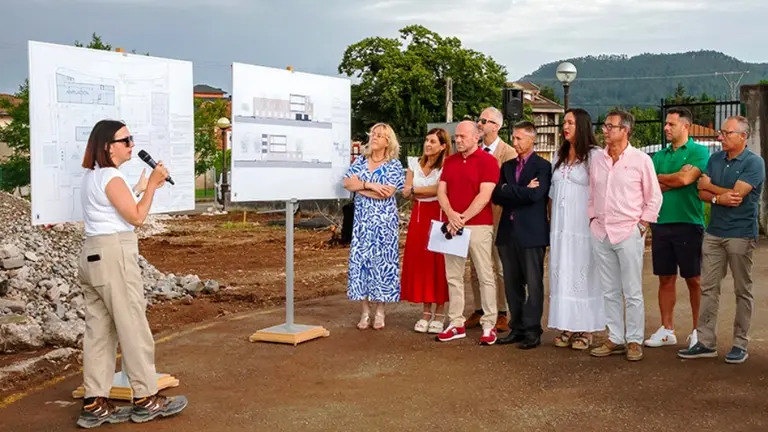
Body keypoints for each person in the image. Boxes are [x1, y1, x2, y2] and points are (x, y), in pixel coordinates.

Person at [76, 120, 187, 429]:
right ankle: (145, 398)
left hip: (93, 254)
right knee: (133, 326)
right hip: (114, 255)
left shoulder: (93, 177)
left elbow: (113, 207)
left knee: (100, 332)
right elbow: (136, 218)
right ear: (108, 146)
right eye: (125, 140)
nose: (131, 145)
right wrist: (151, 187)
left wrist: (139, 188)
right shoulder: (111, 176)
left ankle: (95, 402)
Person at [678, 115, 765, 364]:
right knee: (708, 288)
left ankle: (740, 344)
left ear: (743, 136)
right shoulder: (715, 159)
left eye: (727, 133)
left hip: (740, 234)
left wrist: (713, 189)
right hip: (714, 232)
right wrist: (718, 197)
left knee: (742, 290)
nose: (721, 137)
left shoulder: (754, 163)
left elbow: (737, 195)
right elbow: (700, 190)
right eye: (722, 132)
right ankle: (705, 342)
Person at [588, 110, 662, 362]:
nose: (605, 130)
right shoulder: (597, 159)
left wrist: (642, 226)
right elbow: (591, 192)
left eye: (611, 126)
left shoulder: (641, 160)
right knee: (609, 289)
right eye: (605, 125)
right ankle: (615, 337)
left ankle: (634, 340)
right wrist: (591, 219)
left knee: (632, 290)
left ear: (625, 130)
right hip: (601, 231)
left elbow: (654, 197)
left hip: (628, 231)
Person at [644, 107, 710, 349]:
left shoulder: (699, 151)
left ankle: (698, 331)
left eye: (671, 124)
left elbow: (686, 180)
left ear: (686, 126)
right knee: (665, 278)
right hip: (660, 223)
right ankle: (667, 329)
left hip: (688, 223)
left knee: (694, 278)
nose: (666, 128)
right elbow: (651, 186)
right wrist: (672, 178)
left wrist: (664, 178)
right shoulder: (658, 156)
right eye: (666, 124)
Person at [435, 120, 500, 345]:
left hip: (478, 225)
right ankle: (456, 322)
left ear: (476, 137)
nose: (458, 140)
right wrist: (451, 215)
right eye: (457, 136)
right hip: (453, 224)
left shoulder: (488, 162)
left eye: (462, 136)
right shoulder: (450, 162)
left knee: (485, 274)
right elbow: (441, 191)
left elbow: (484, 196)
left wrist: (462, 218)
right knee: (453, 276)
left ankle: (489, 324)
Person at [547, 108, 605, 350]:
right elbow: (551, 193)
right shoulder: (558, 156)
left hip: (583, 227)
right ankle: (567, 325)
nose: (565, 126)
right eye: (564, 123)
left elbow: (602, 191)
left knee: (584, 275)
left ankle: (585, 328)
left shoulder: (595, 156)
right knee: (563, 274)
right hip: (561, 228)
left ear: (581, 125)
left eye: (570, 122)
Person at [492, 121, 552, 349]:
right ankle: (516, 327)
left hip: (532, 234)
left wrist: (512, 191)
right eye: (513, 138)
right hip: (508, 233)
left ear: (531, 140)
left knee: (533, 284)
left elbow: (536, 196)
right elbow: (497, 195)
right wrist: (522, 190)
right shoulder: (507, 166)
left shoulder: (542, 166)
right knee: (511, 284)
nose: (514, 142)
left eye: (519, 138)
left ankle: (532, 330)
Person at [343, 122, 405, 330]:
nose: (374, 137)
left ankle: (380, 309)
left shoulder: (394, 165)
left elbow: (386, 193)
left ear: (388, 141)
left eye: (380, 135)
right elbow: (347, 183)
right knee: (361, 264)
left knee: (382, 264)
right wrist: (369, 185)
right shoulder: (361, 161)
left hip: (384, 224)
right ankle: (364, 310)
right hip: (362, 223)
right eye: (373, 134)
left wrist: (361, 188)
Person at [465, 107, 517, 333]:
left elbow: (507, 187)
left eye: (484, 121)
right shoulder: (472, 151)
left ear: (496, 126)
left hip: (498, 217)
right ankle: (480, 308)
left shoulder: (508, 153)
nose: (480, 124)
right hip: (474, 216)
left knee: (499, 266)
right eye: (478, 120)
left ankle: (502, 312)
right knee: (475, 266)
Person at [401, 128, 452, 334]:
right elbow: (406, 191)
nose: (427, 144)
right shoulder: (415, 163)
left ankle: (440, 312)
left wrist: (415, 191)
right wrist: (415, 192)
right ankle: (425, 311)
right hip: (419, 218)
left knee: (438, 262)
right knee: (421, 262)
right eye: (426, 140)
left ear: (443, 146)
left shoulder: (448, 165)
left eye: (432, 141)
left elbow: (440, 190)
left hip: (439, 216)